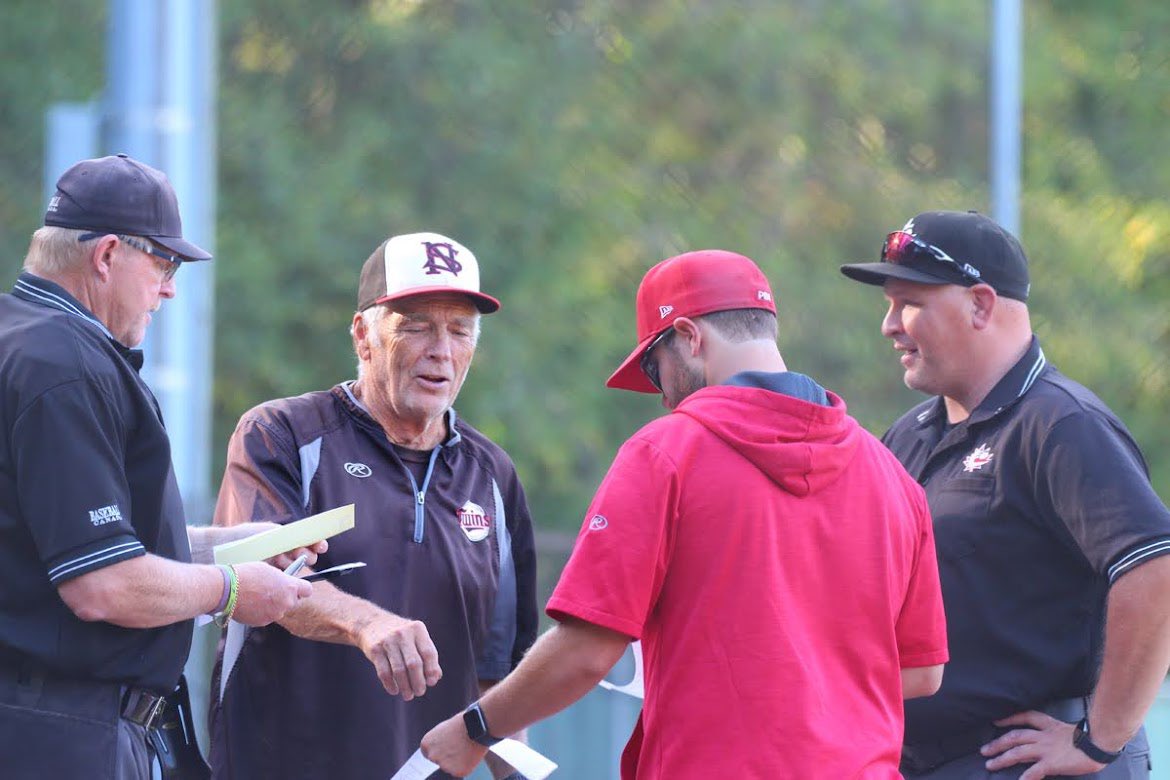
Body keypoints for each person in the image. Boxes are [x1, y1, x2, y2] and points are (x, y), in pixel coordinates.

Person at [421, 248, 949, 778]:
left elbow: (585, 652)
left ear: (691, 338)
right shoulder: (892, 478)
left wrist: (475, 727)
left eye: (656, 367)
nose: (663, 393)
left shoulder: (666, 453)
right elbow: (921, 673)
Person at [0, 154, 321, 780]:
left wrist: (227, 546)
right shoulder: (62, 362)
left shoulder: (24, 337)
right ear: (107, 254)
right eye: (164, 262)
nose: (170, 286)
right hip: (56, 731)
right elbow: (102, 584)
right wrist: (234, 590)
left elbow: (68, 544)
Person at [840, 210, 1170, 779]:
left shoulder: (1061, 423)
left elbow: (1155, 568)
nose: (890, 324)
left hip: (1032, 762)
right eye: (889, 304)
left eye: (910, 302)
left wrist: (1097, 742)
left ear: (981, 305)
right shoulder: (911, 432)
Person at [208, 232, 539, 780]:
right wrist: (366, 623)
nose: (441, 350)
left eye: (460, 331)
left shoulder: (493, 475)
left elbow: (496, 677)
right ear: (363, 335)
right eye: (416, 326)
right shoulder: (282, 434)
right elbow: (254, 580)